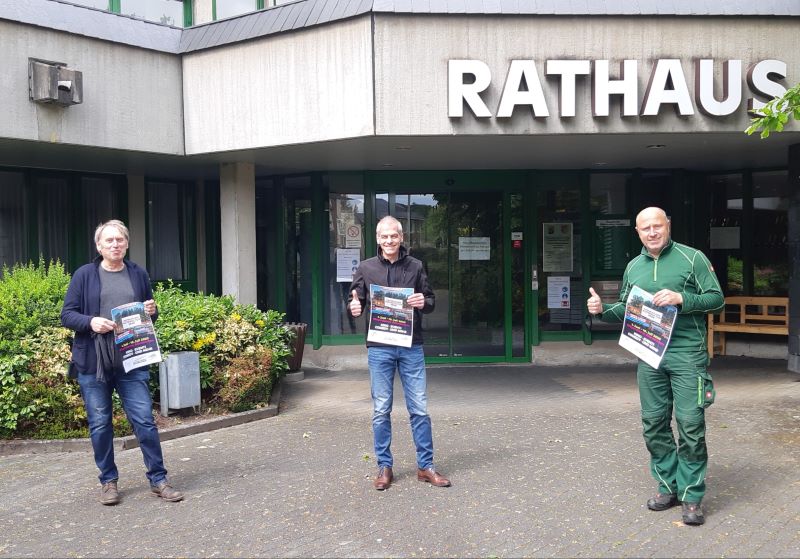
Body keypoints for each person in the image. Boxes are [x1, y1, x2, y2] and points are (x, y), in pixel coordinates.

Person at [587, 207, 723, 526]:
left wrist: (681, 299)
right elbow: (626, 307)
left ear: (668, 226)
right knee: (653, 423)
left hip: (687, 354)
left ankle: (691, 496)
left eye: (657, 226)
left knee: (690, 425)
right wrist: (602, 310)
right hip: (648, 353)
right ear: (637, 232)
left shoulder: (693, 258)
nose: (652, 232)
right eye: (645, 228)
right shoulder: (634, 266)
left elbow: (717, 299)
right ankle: (667, 487)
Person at [61, 220, 184, 505]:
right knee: (101, 424)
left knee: (144, 421)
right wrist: (91, 321)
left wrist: (152, 311)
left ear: (126, 243)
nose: (115, 245)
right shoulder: (84, 275)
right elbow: (67, 315)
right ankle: (108, 481)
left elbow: (147, 316)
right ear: (99, 246)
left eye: (120, 240)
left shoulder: (137, 273)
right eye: (109, 241)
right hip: (94, 363)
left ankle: (158, 479)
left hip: (133, 358)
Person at [348, 216, 451, 491]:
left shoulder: (416, 266)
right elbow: (355, 296)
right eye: (384, 237)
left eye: (394, 236)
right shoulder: (366, 268)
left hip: (411, 346)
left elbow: (429, 300)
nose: (389, 241)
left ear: (401, 237)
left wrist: (422, 302)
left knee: (419, 408)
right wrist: (354, 306)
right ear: (378, 239)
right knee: (381, 410)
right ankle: (384, 466)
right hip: (379, 347)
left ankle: (425, 466)